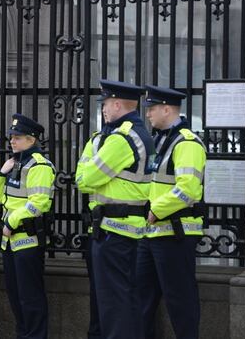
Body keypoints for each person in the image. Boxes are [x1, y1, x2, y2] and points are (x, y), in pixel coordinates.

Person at [75, 80, 155, 339]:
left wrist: (89, 168)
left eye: (106, 104)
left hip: (115, 231)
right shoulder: (132, 133)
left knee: (114, 303)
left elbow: (86, 178)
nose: (104, 110)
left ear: (118, 104)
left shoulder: (122, 138)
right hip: (125, 230)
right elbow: (86, 176)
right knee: (125, 299)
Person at [137, 85, 206, 339]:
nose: (148, 114)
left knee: (180, 302)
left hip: (175, 234)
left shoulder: (187, 143)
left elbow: (187, 189)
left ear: (167, 109)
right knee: (141, 300)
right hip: (152, 233)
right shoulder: (160, 139)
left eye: (152, 108)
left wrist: (155, 209)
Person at [0, 114, 54, 339]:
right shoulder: (15, 163)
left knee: (31, 298)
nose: (12, 141)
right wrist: (1, 173)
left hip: (28, 240)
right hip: (10, 241)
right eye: (11, 137)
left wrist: (10, 221)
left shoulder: (39, 165)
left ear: (31, 139)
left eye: (18, 137)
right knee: (16, 297)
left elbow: (38, 203)